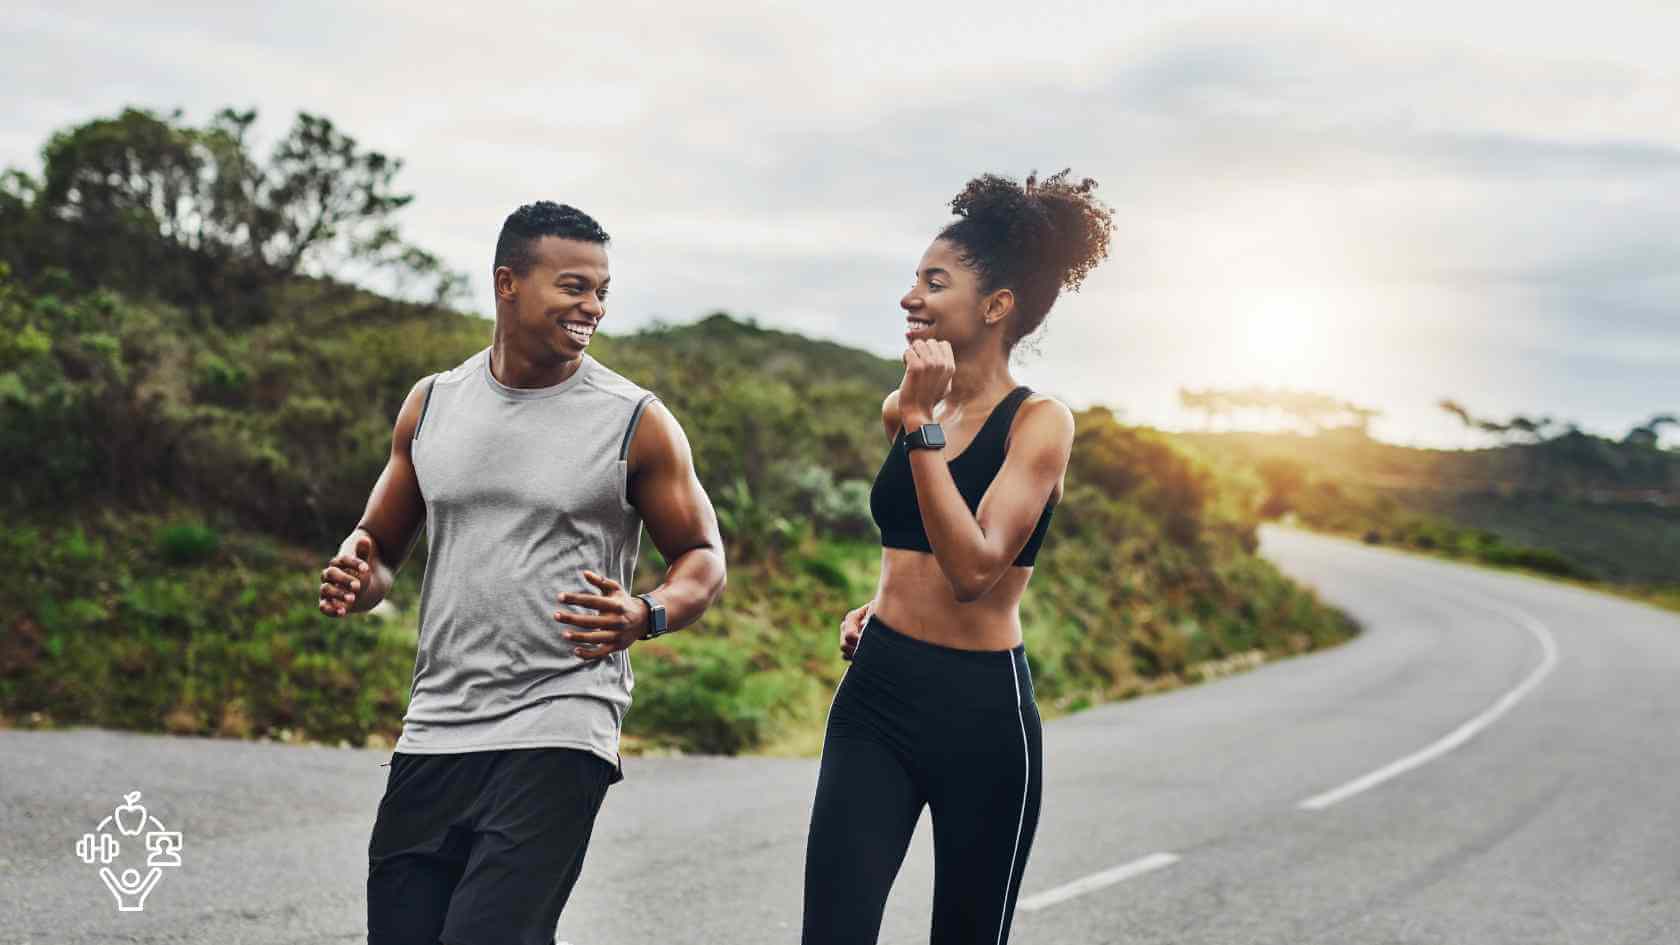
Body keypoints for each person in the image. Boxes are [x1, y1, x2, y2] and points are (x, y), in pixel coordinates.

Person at [316, 201, 727, 945]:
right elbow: (380, 542)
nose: (592, 308)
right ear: (508, 282)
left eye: (602, 291)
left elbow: (702, 555)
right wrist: (358, 573)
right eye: (573, 287)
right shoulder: (432, 404)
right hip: (438, 724)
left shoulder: (635, 419)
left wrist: (646, 612)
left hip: (561, 718)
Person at [802, 170, 1113, 945]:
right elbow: (917, 538)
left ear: (995, 306)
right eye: (914, 279)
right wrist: (887, 604)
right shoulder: (907, 408)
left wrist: (916, 422)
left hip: (980, 713)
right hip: (876, 694)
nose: (911, 297)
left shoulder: (1039, 423)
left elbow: (975, 569)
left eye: (934, 283)